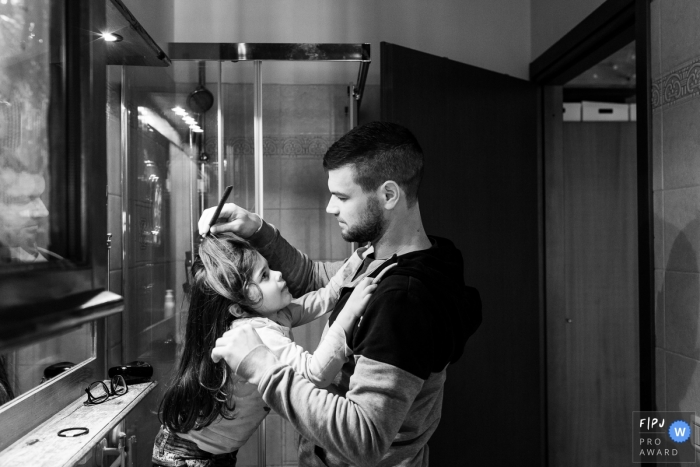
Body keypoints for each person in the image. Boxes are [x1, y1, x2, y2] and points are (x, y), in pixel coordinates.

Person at [199, 121, 482, 467]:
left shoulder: (402, 301)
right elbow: (317, 281)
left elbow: (364, 438)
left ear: (389, 195)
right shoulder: (389, 257)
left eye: (342, 197)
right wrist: (254, 228)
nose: (331, 207)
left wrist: (263, 368)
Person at [153, 232, 391, 467]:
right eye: (264, 275)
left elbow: (323, 298)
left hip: (208, 450)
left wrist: (360, 260)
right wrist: (349, 313)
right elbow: (315, 372)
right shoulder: (258, 333)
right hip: (188, 456)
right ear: (238, 309)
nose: (278, 274)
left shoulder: (272, 314)